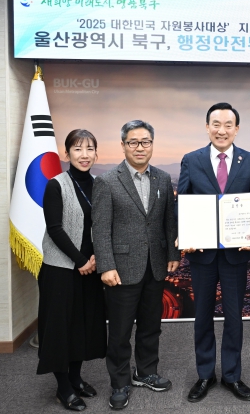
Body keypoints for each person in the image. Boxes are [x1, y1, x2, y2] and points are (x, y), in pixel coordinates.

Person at [177, 102, 250, 403]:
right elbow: (182, 202)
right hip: (201, 253)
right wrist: (185, 234)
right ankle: (205, 374)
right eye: (216, 124)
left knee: (234, 317)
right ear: (207, 127)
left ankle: (231, 375)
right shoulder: (192, 160)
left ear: (236, 129)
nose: (222, 130)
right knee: (202, 316)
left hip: (234, 254)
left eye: (228, 125)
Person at [92, 120, 180, 411]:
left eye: (145, 142)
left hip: (155, 265)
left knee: (151, 326)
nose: (140, 147)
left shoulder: (163, 179)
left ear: (152, 145)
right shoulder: (107, 181)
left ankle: (146, 372)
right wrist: (106, 265)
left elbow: (169, 221)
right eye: (133, 142)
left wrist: (173, 254)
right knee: (119, 332)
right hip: (120, 268)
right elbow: (100, 229)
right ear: (123, 145)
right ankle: (119, 382)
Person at [37, 129, 107, 412]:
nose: (84, 155)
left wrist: (96, 259)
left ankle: (76, 378)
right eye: (78, 149)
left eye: (90, 149)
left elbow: (103, 225)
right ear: (66, 154)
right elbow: (55, 229)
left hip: (90, 267)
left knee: (82, 325)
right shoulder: (56, 185)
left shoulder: (99, 185)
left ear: (96, 154)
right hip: (61, 269)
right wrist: (80, 261)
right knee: (60, 328)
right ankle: (63, 387)